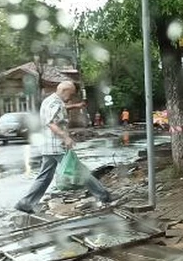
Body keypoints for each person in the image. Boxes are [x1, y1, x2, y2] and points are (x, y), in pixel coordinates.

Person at [15, 81, 113, 214]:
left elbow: (60, 110)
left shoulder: (50, 101)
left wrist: (76, 106)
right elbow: (51, 123)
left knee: (44, 176)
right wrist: (65, 137)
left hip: (48, 146)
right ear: (64, 90)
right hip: (57, 145)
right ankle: (103, 196)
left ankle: (25, 203)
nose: (71, 97)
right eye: (71, 94)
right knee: (80, 170)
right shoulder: (55, 103)